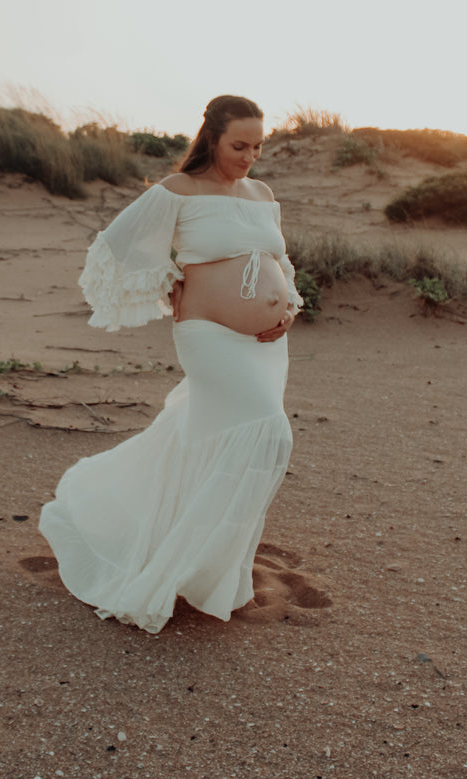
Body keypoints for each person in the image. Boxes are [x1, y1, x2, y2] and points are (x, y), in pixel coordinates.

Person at [38, 95, 301, 633]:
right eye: (239, 145)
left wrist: (289, 307)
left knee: (206, 435)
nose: (250, 156)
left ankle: (207, 567)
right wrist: (168, 281)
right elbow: (116, 248)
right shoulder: (178, 191)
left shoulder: (261, 193)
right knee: (268, 433)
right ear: (212, 138)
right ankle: (172, 560)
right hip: (209, 336)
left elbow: (276, 260)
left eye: (258, 146)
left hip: (267, 346)